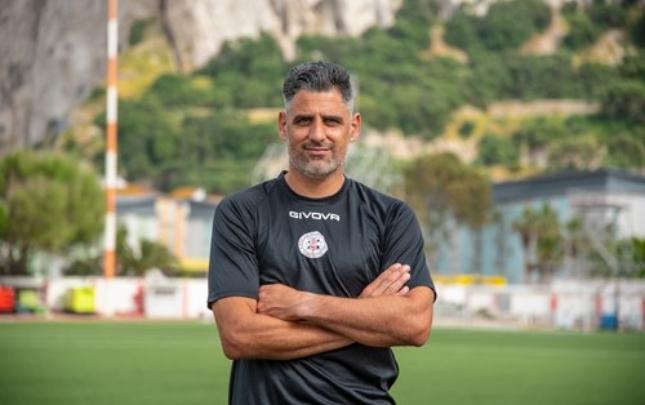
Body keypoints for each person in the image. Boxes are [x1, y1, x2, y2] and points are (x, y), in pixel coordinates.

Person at [208, 61, 436, 404]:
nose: (317, 134)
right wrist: (364, 316)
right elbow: (239, 336)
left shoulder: (391, 217)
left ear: (353, 127)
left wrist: (302, 304)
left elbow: (415, 324)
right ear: (283, 125)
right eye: (303, 120)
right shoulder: (241, 212)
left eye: (331, 121)